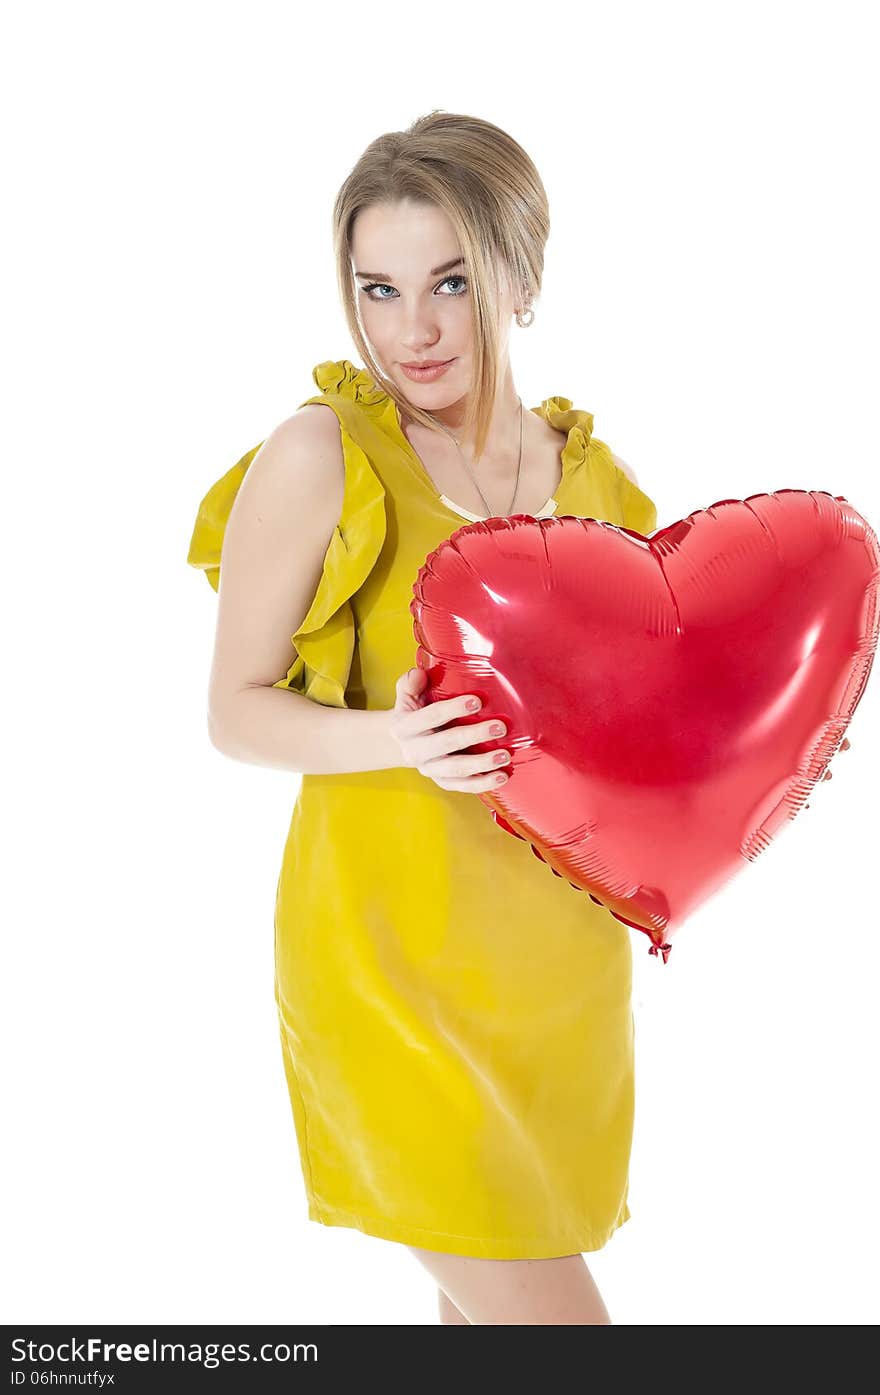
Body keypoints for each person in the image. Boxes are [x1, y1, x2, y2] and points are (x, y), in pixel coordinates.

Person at [186, 110, 662, 1325]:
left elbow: (640, 736)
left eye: (450, 281)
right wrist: (389, 739)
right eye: (379, 288)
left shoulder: (602, 488)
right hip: (385, 969)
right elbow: (233, 712)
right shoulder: (321, 455)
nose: (414, 329)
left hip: (555, 981)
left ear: (521, 274)